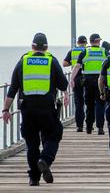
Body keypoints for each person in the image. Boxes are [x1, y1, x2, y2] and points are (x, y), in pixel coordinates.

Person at [2, 33, 68, 186]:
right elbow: (64, 85)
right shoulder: (51, 61)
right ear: (46, 47)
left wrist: (5, 110)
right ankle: (45, 159)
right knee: (54, 135)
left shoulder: (22, 62)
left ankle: (34, 178)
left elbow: (12, 89)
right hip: (47, 108)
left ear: (32, 46)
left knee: (32, 143)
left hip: (27, 109)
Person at [71, 33, 107, 135]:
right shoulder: (104, 51)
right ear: (98, 41)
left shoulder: (85, 52)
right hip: (100, 80)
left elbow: (77, 66)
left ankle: (89, 126)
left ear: (90, 42)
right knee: (100, 104)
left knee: (89, 105)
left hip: (88, 81)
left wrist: (71, 79)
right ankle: (100, 128)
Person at [62, 35, 87, 132]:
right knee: (89, 101)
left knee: (78, 102)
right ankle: (90, 123)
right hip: (87, 77)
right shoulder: (88, 51)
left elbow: (64, 63)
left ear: (78, 42)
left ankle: (79, 126)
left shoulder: (72, 51)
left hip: (75, 77)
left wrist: (72, 62)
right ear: (86, 43)